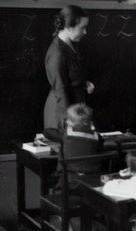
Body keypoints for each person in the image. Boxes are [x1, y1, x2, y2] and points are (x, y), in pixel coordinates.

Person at [44, 5, 94, 142]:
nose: (85, 32)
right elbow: (60, 90)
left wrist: (84, 83)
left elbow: (72, 75)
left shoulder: (70, 46)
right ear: (68, 27)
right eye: (82, 27)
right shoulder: (57, 53)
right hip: (61, 117)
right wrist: (71, 122)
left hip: (74, 113)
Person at [62, 103, 102, 176]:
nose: (66, 121)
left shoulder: (67, 133)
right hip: (92, 173)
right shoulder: (96, 136)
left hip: (71, 173)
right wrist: (92, 128)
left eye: (69, 119)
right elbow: (99, 146)